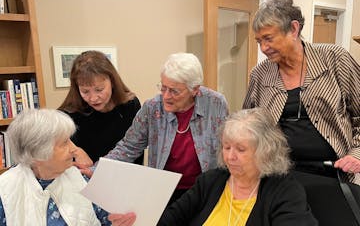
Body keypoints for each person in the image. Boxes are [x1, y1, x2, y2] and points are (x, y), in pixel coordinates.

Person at [109, 108, 317, 226]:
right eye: (226, 147)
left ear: (266, 150)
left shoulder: (284, 190)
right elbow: (171, 219)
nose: (230, 157)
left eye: (241, 149)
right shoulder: (211, 181)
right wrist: (139, 221)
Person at [80, 52, 229, 204]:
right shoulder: (152, 108)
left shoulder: (215, 103)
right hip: (165, 192)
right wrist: (97, 169)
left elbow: (226, 146)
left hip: (205, 190)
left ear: (195, 90)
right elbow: (128, 147)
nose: (166, 96)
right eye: (163, 88)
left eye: (174, 91)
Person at [242, 0, 360, 183]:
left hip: (332, 175)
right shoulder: (260, 74)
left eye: (269, 38)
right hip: (277, 176)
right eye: (259, 41)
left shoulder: (335, 59)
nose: (263, 48)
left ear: (294, 29)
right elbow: (248, 125)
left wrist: (357, 153)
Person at [0, 109, 137, 225]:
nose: (74, 149)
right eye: (64, 143)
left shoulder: (82, 179)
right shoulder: (6, 189)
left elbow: (106, 220)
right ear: (37, 154)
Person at [58, 50, 144, 165]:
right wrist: (76, 152)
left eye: (99, 90)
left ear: (112, 82)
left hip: (125, 175)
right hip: (84, 178)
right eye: (85, 91)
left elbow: (136, 148)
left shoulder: (130, 105)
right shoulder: (68, 114)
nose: (93, 98)